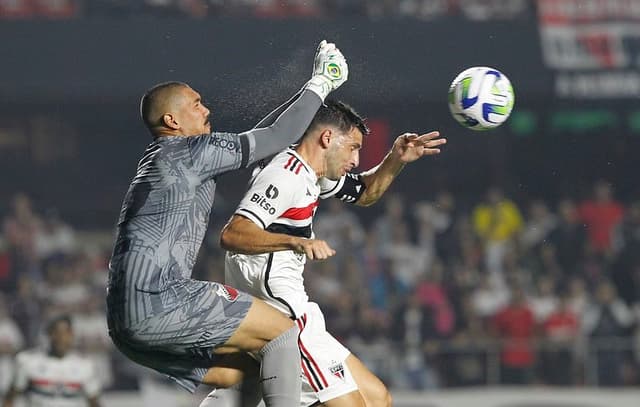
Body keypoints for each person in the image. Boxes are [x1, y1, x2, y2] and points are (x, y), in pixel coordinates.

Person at [105, 40, 349, 407]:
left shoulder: (168, 158)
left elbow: (268, 139)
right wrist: (321, 82)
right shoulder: (189, 152)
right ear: (172, 121)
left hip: (124, 322)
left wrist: (308, 90)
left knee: (247, 369)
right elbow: (281, 137)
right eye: (196, 104)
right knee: (283, 335)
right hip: (160, 298)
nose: (207, 109)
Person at [219, 100, 446, 407]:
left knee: (379, 398)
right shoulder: (285, 175)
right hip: (282, 316)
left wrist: (396, 158)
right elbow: (233, 234)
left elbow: (365, 192)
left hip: (297, 309)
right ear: (326, 139)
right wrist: (295, 242)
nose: (356, 159)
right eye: (352, 148)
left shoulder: (314, 174)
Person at [2, 315, 101, 407]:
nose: (60, 338)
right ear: (48, 335)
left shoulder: (85, 365)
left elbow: (94, 402)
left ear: (72, 335)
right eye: (56, 333)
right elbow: (10, 398)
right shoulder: (27, 361)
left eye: (65, 333)